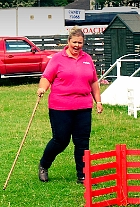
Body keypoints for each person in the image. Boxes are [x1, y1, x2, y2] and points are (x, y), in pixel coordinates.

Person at [36, 26, 103, 184]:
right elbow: (47, 77)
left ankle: (82, 175)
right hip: (60, 107)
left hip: (83, 107)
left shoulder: (87, 59)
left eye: (80, 43)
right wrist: (42, 88)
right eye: (74, 42)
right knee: (61, 140)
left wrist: (98, 101)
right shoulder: (58, 59)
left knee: (82, 141)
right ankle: (44, 165)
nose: (77, 46)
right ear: (68, 42)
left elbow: (93, 81)